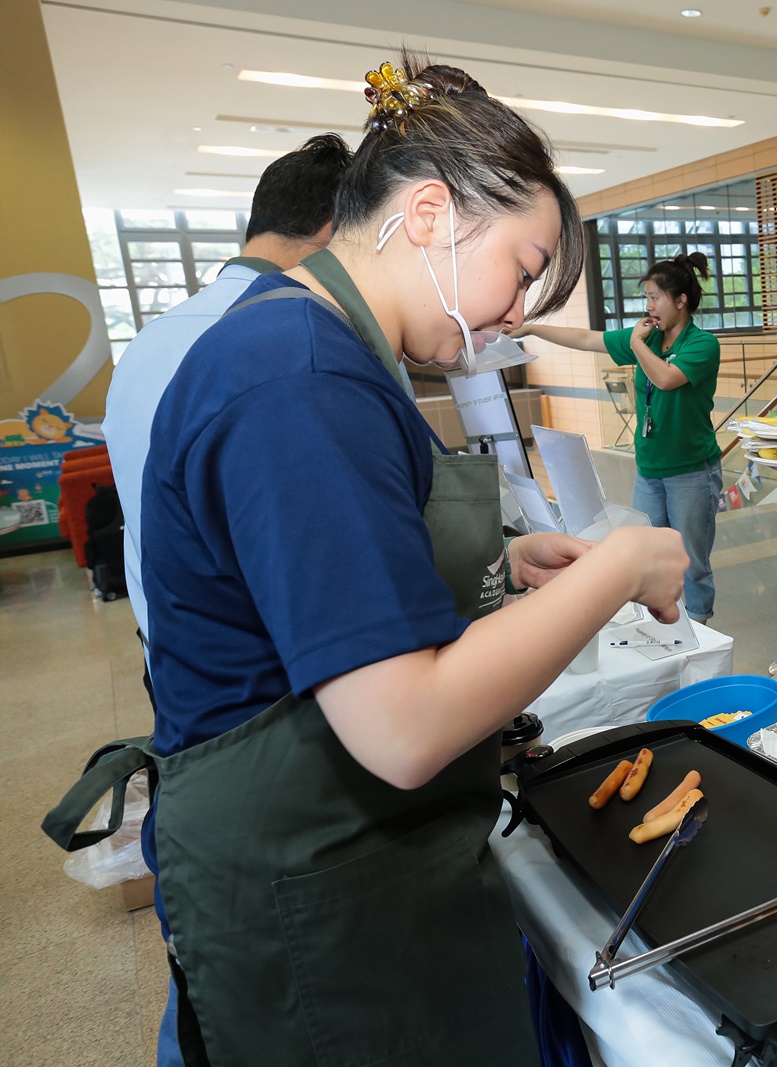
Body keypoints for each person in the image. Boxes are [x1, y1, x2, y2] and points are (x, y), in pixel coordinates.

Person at [45, 54, 688, 1065]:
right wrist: (620, 563)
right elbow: (400, 726)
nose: (517, 311)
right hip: (313, 889)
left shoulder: (331, 349)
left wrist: (505, 561)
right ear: (429, 214)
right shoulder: (297, 377)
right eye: (521, 266)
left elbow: (325, 563)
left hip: (359, 861)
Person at [100, 132, 351, 1067]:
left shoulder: (155, 341)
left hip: (177, 668)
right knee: (255, 967)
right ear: (333, 231)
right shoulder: (282, 348)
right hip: (261, 710)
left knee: (204, 956)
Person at [105, 133, 351, 668]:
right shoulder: (298, 342)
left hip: (170, 655)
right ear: (333, 233)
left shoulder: (148, 342)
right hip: (272, 678)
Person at [517, 254, 722, 621]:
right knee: (647, 551)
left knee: (691, 559)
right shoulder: (649, 337)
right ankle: (663, 623)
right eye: (646, 297)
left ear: (681, 301)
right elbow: (584, 338)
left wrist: (639, 344)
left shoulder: (702, 344)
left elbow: (665, 378)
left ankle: (700, 627)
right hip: (650, 469)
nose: (649, 306)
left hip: (691, 471)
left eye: (656, 297)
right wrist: (532, 329)